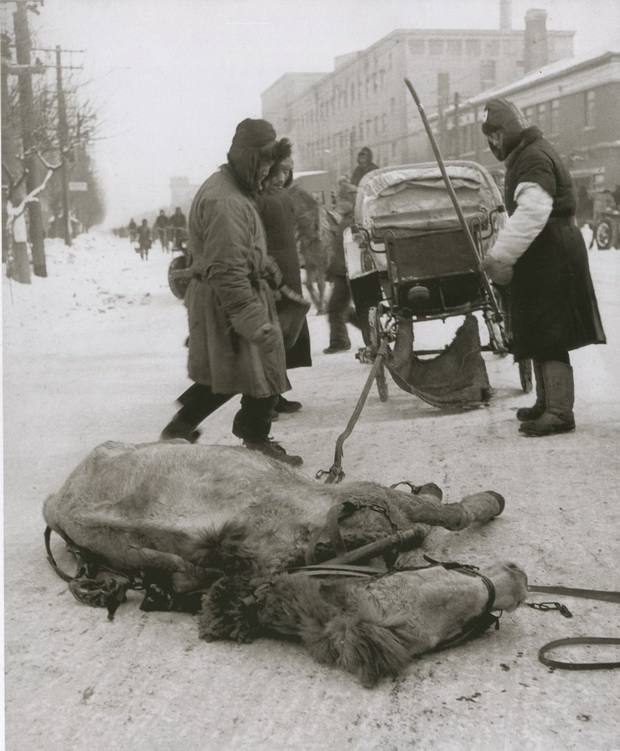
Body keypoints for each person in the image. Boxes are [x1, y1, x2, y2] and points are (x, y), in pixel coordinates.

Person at [159, 118, 302, 465]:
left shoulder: (232, 189)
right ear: (251, 160)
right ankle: (253, 437)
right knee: (259, 363)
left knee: (233, 369)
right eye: (267, 164)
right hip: (229, 298)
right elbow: (226, 269)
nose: (271, 175)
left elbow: (234, 250)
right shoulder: (227, 201)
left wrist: (262, 262)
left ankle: (182, 428)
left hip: (227, 294)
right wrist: (252, 320)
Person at [480, 97, 606, 436]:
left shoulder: (533, 157)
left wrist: (501, 255)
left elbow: (534, 211)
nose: (491, 143)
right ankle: (546, 402)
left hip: (552, 251)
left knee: (551, 331)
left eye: (493, 135)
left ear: (505, 131)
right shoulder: (529, 153)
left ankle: (560, 411)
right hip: (546, 250)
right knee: (538, 326)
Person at [255, 140, 311, 415]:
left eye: (287, 171)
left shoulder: (285, 198)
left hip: (289, 272)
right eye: (278, 171)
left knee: (287, 335)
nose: (282, 177)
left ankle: (277, 393)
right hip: (273, 276)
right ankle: (268, 398)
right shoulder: (260, 200)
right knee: (273, 337)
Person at [323, 200, 355, 354]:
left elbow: (342, 253)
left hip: (344, 273)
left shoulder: (347, 225)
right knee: (341, 308)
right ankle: (373, 331)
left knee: (335, 308)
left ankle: (339, 341)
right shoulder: (346, 223)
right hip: (346, 272)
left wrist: (333, 270)